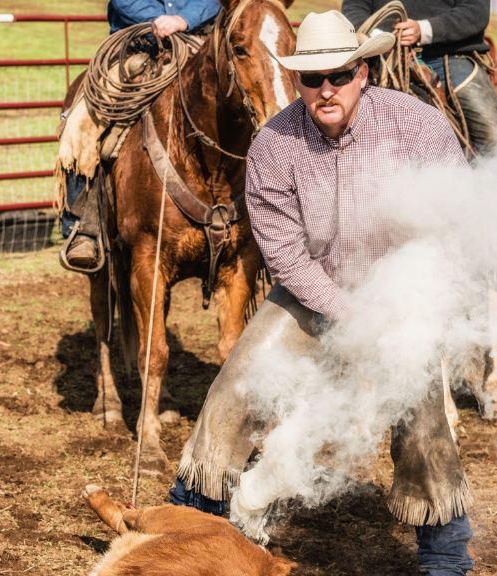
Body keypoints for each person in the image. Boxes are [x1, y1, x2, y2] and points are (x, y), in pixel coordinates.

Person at [167, 11, 475, 576]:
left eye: (338, 73)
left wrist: (408, 304)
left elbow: (452, 218)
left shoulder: (420, 127)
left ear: (363, 72)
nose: (325, 88)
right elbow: (285, 254)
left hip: (401, 293)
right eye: (312, 78)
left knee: (422, 405)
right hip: (313, 290)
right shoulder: (273, 144)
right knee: (240, 380)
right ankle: (191, 515)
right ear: (299, 81)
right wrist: (348, 310)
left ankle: (445, 551)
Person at [60, 0, 222, 271]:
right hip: (136, 46)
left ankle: (265, 218)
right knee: (83, 120)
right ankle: (83, 226)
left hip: (195, 41)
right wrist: (160, 20)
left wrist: (184, 19)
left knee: (239, 101)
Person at [342, 0, 497, 160]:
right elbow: (353, 8)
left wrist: (424, 30)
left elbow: (475, 11)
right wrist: (382, 38)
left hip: (448, 56)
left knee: (496, 137)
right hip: (380, 56)